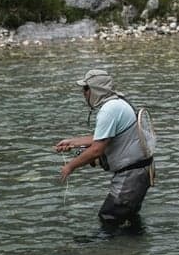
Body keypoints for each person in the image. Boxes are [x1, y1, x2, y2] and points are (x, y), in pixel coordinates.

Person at [54, 68, 155, 228]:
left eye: (86, 89)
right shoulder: (117, 103)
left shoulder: (109, 110)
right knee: (128, 219)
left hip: (131, 175)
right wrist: (72, 142)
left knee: (109, 217)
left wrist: (70, 166)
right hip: (140, 172)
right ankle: (135, 250)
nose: (83, 93)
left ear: (95, 90)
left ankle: (116, 252)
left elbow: (97, 150)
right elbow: (101, 138)